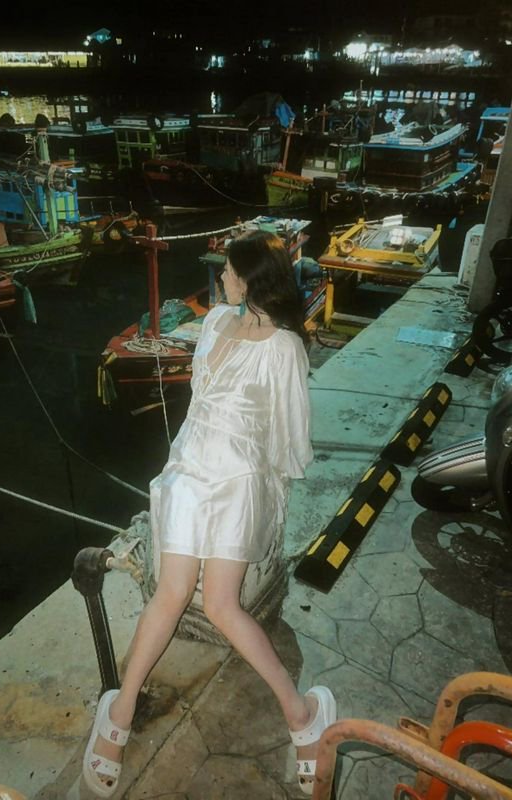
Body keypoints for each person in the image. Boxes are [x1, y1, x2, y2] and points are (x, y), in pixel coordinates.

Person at [82, 229, 337, 797]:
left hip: (237, 479)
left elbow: (290, 430)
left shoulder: (284, 348)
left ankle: (300, 714)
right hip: (188, 470)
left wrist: (275, 492)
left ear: (249, 280)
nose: (220, 276)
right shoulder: (218, 320)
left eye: (228, 270)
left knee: (222, 605)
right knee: (170, 593)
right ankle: (118, 713)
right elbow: (200, 398)